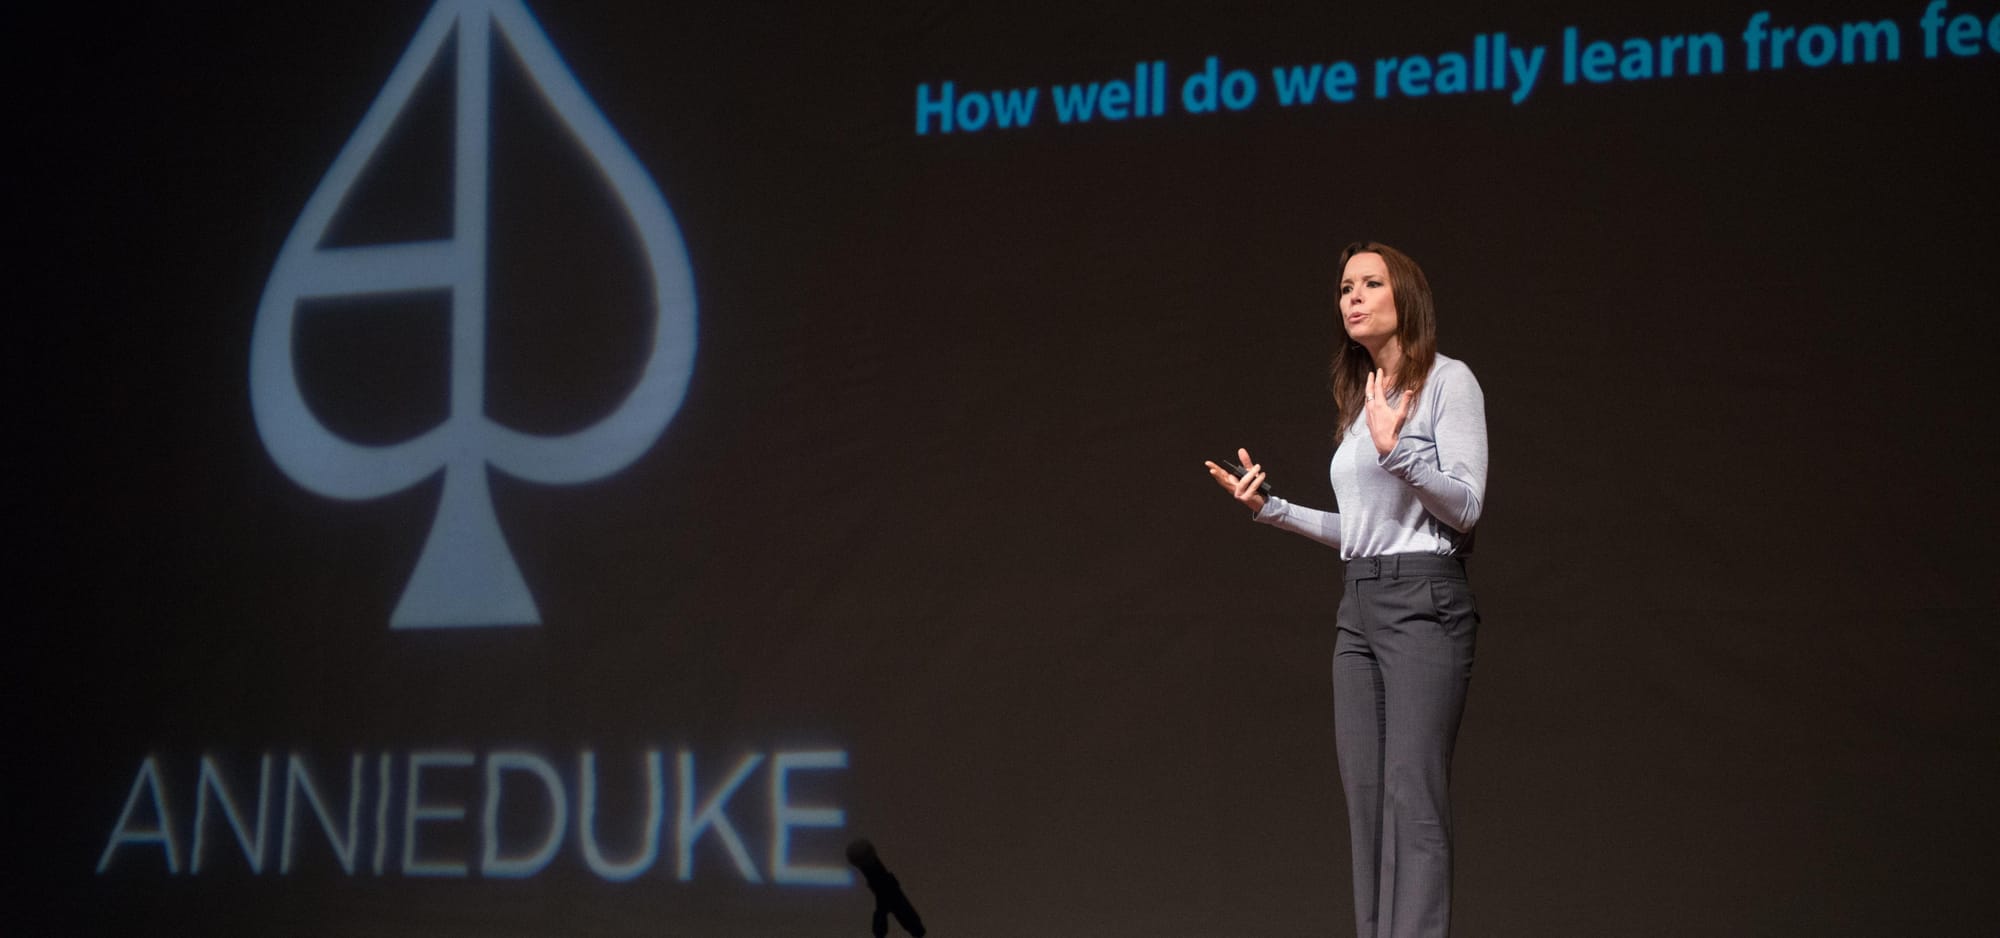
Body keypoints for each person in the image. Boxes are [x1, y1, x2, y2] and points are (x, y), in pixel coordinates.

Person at [1205, 241, 1487, 938]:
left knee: (1411, 800)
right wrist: (1271, 507)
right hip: (1359, 607)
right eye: (1343, 288)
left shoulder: (1450, 383)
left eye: (1369, 284)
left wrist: (1403, 454)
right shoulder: (1365, 401)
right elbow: (1363, 528)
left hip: (1424, 604)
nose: (1351, 297)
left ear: (1405, 300)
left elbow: (1466, 506)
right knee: (1365, 802)